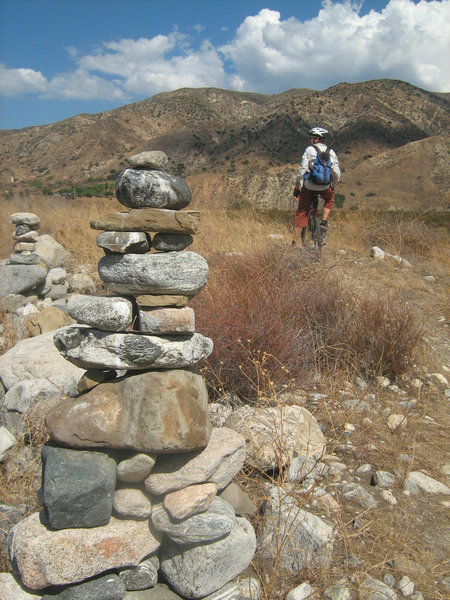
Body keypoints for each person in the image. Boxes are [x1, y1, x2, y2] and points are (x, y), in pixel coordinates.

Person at [292, 127, 340, 246]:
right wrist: (332, 186)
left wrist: (297, 186)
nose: (309, 141)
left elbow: (302, 170)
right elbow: (336, 173)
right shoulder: (331, 152)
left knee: (302, 212)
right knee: (329, 199)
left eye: (311, 138)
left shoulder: (309, 150)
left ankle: (294, 243)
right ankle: (323, 222)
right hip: (324, 186)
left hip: (309, 185)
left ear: (316, 139)